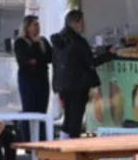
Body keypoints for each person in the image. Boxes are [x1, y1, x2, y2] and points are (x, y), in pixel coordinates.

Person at [51, 10, 115, 140]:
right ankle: (74, 149)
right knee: (76, 119)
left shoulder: (60, 40)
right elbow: (91, 62)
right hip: (78, 85)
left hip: (63, 85)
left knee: (68, 117)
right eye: (82, 22)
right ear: (76, 23)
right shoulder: (77, 41)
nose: (84, 24)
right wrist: (109, 54)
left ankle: (63, 144)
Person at [14, 15, 52, 141]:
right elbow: (25, 59)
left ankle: (41, 140)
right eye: (35, 25)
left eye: (38, 24)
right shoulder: (20, 42)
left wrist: (37, 60)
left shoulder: (43, 41)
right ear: (27, 27)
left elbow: (50, 58)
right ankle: (28, 141)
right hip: (27, 80)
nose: (38, 27)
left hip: (42, 79)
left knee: (41, 111)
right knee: (29, 111)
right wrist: (35, 46)